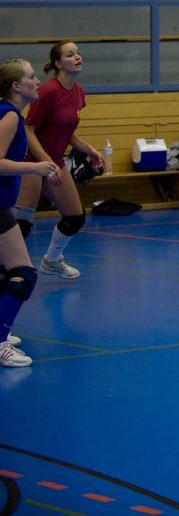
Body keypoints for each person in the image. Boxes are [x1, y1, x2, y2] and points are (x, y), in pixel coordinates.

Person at [13, 42, 104, 279]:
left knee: (75, 217)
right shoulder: (47, 91)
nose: (77, 57)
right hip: (31, 162)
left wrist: (89, 149)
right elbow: (28, 130)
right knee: (21, 226)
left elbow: (66, 130)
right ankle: (6, 269)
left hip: (55, 163)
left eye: (78, 53)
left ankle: (52, 261)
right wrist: (46, 163)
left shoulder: (79, 92)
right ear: (57, 63)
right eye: (70, 54)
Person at [1, 59, 61, 367]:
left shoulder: (8, 112)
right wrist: (33, 167)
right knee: (23, 273)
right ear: (16, 86)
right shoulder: (10, 115)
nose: (37, 81)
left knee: (4, 272)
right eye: (31, 77)